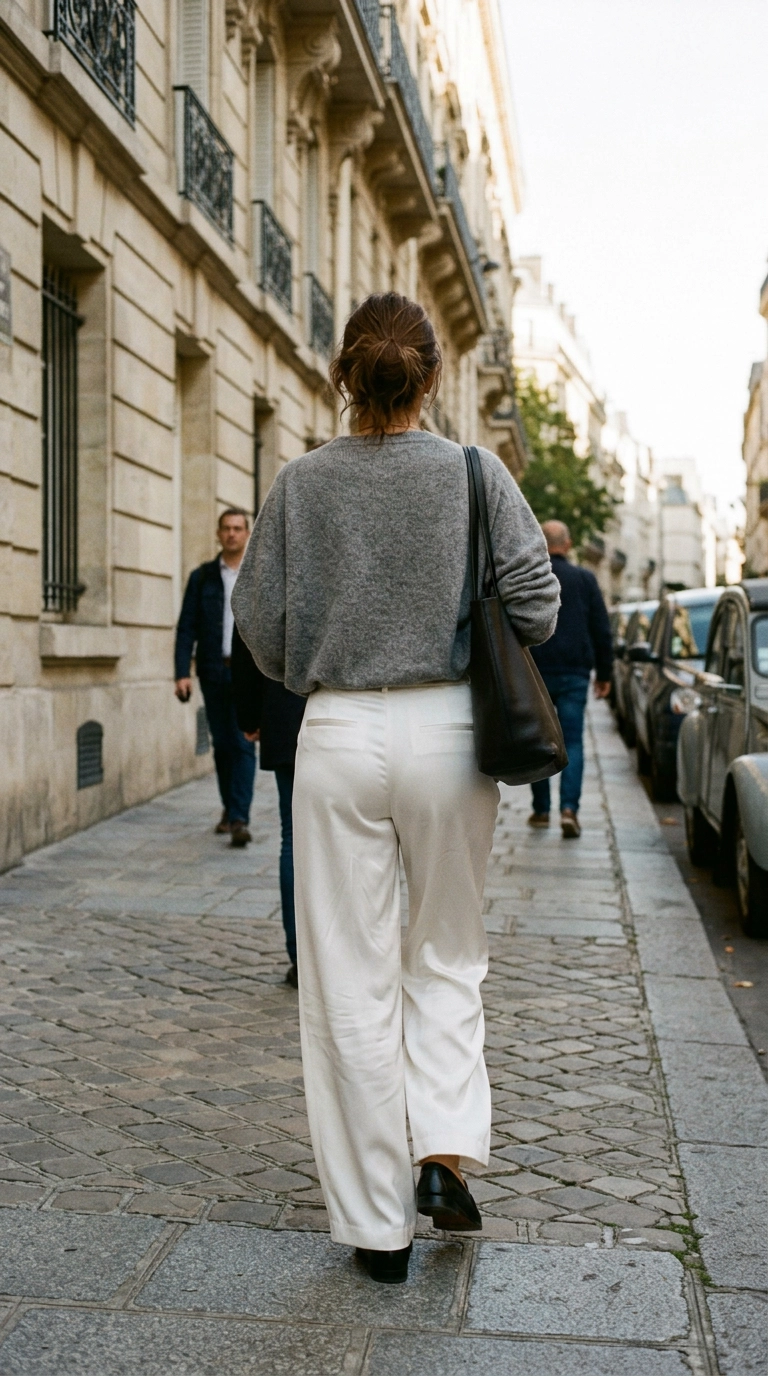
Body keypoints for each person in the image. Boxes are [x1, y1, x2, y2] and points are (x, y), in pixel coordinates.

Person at [232, 292, 559, 1286]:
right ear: (431, 375)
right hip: (452, 730)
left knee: (348, 975)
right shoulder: (475, 471)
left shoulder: (298, 482)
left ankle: (378, 1226)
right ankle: (445, 1152)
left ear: (345, 374)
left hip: (337, 730)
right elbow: (538, 606)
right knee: (447, 951)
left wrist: (325, 656)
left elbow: (259, 622)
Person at [174, 509, 256, 848]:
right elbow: (186, 626)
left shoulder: (257, 574)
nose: (232, 534)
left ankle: (239, 818)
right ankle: (230, 808)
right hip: (212, 670)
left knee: (243, 740)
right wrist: (181, 672)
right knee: (222, 744)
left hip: (247, 671)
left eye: (238, 529)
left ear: (248, 533)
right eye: (227, 528)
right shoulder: (203, 577)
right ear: (218, 533)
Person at [528, 519, 613, 838]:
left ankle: (540, 810)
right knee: (572, 741)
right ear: (568, 543)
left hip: (536, 672)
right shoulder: (584, 579)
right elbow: (602, 630)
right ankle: (569, 809)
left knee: (538, 742)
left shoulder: (533, 576)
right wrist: (604, 674)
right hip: (575, 672)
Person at [231, 623, 305, 987]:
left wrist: (249, 712)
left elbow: (248, 622)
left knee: (293, 837)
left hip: (286, 712)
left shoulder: (273, 561)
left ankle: (300, 957)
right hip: (347, 713)